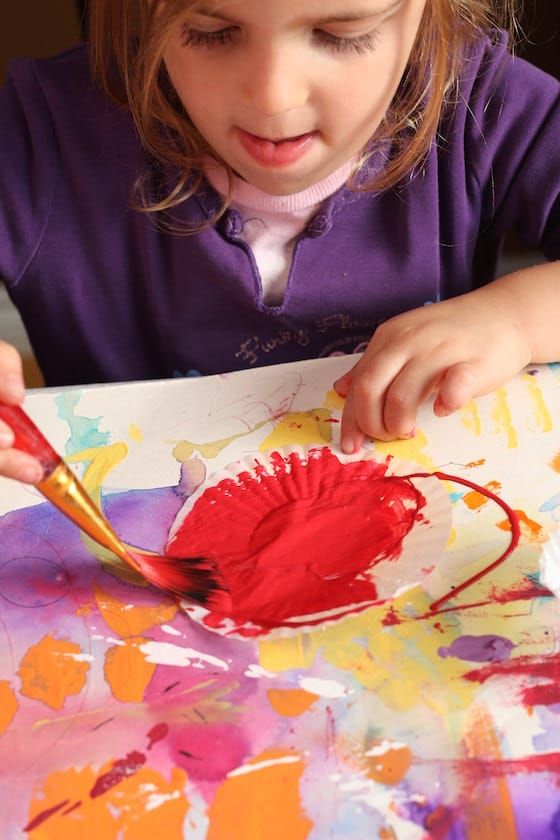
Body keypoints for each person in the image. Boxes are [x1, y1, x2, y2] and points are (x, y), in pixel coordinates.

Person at [0, 0, 559, 484]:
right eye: (209, 30)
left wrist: (517, 320)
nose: (273, 97)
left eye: (341, 32)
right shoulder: (42, 135)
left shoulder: (482, 102)